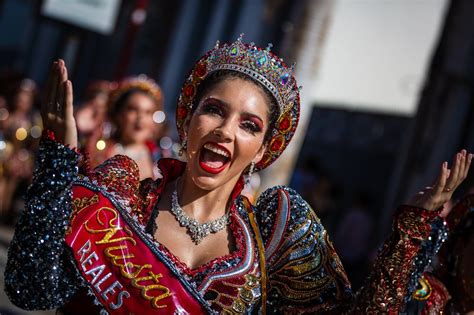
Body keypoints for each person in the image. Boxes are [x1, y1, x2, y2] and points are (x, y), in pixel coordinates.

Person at [4, 37, 472, 314]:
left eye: (248, 125)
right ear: (188, 122)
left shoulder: (274, 235)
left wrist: (411, 232)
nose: (226, 132)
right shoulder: (124, 190)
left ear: (264, 150)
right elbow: (30, 285)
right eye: (213, 111)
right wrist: (59, 159)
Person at [86, 76, 164, 180]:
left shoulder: (161, 160)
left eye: (148, 112)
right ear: (119, 114)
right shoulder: (97, 150)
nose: (140, 117)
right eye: (133, 109)